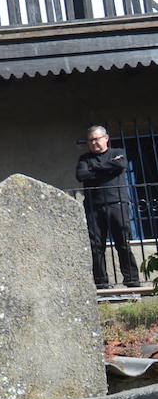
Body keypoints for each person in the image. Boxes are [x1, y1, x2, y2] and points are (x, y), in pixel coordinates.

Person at [76, 124, 140, 290]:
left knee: (122, 242)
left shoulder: (118, 153)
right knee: (96, 246)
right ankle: (101, 283)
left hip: (117, 203)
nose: (94, 143)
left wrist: (95, 168)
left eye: (97, 139)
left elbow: (120, 166)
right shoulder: (84, 159)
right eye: (90, 140)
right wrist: (107, 168)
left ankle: (132, 280)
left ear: (106, 138)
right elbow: (81, 175)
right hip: (93, 207)